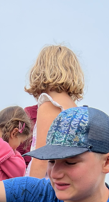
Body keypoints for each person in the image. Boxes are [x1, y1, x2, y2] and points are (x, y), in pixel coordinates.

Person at [24, 45, 84, 179]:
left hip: (47, 183)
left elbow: (41, 157)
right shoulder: (76, 109)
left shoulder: (50, 105)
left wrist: (30, 189)